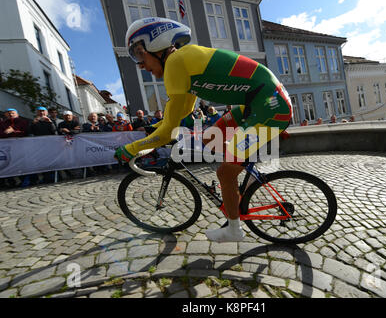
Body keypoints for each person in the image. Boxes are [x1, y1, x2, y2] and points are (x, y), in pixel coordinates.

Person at [114, 17, 292, 242]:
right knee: (210, 138)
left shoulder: (176, 62)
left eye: (139, 54)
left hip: (269, 106)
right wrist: (156, 127)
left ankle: (234, 229)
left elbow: (169, 130)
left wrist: (131, 148)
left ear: (155, 44)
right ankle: (244, 183)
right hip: (257, 103)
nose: (140, 65)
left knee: (224, 172)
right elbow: (181, 114)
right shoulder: (181, 62)